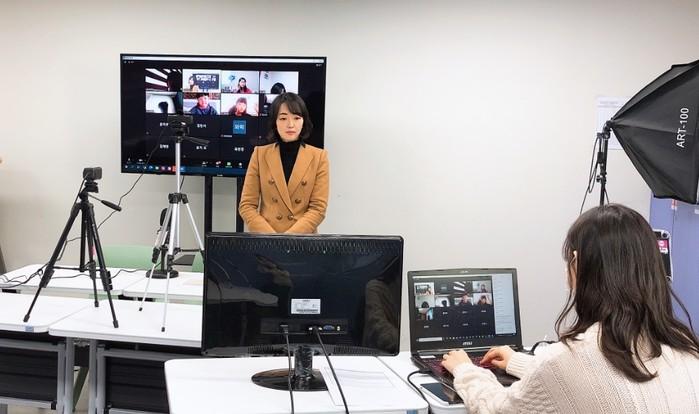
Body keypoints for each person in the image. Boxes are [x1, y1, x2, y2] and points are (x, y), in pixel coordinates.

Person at [441, 204, 699, 413]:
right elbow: (598, 383)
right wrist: (516, 362)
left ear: (576, 264)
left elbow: (498, 409)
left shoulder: (569, 360)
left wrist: (465, 370)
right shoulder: (687, 349)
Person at [238, 92, 329, 233]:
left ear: (304, 121)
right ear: (275, 121)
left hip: (302, 240)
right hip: (266, 238)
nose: (290, 124)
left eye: (296, 118)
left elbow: (318, 209)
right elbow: (247, 206)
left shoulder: (319, 157)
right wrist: (273, 240)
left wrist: (288, 240)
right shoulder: (260, 154)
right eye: (283, 118)